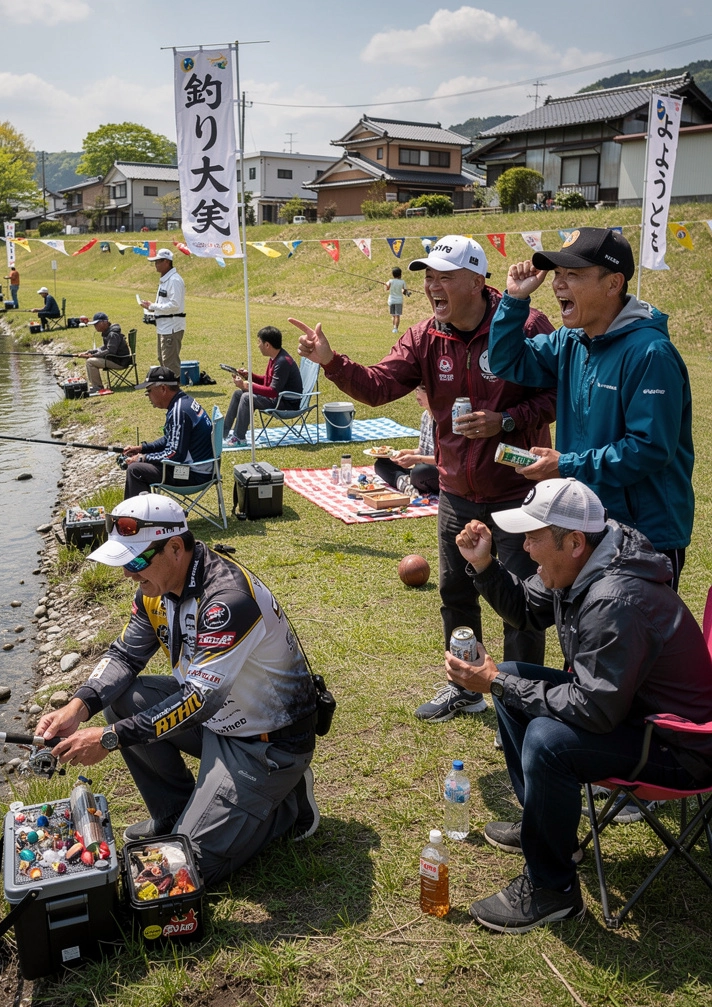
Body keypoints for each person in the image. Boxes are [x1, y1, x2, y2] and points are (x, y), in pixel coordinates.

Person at [289, 235, 557, 723]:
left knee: (520, 605)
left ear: (477, 281)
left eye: (444, 276)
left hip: (520, 491)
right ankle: (465, 686)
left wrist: (508, 421)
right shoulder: (424, 337)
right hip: (457, 491)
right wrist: (330, 360)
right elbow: (378, 387)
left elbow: (558, 393)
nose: (432, 286)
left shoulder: (525, 322)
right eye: (428, 277)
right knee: (456, 594)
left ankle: (519, 705)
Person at [445, 478, 712, 933]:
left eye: (532, 536)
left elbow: (593, 710)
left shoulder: (615, 599)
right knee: (511, 681)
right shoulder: (587, 561)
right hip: (634, 716)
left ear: (572, 541)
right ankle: (547, 832)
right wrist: (485, 564)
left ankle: (553, 890)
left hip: (678, 747)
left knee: (547, 738)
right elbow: (527, 611)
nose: (525, 547)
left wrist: (494, 682)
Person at [37, 493, 320, 885]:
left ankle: (287, 807)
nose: (128, 575)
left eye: (135, 562)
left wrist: (108, 739)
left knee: (179, 870)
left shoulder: (227, 601)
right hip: (219, 723)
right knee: (120, 699)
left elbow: (198, 701)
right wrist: (77, 707)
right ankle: (175, 815)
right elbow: (124, 656)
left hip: (266, 744)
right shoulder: (155, 589)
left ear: (174, 548)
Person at [489, 227, 694, 590]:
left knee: (630, 640)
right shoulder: (572, 341)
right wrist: (515, 301)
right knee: (585, 633)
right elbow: (507, 361)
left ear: (614, 283)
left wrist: (564, 464)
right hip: (583, 521)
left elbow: (648, 449)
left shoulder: (650, 354)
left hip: (643, 534)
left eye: (574, 275)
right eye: (557, 275)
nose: (558, 285)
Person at [120, 366, 214, 500]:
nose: (148, 396)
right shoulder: (185, 402)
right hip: (204, 469)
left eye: (149, 391)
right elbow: (171, 439)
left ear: (163, 388)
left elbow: (175, 454)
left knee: (135, 470)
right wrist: (142, 448)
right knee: (140, 465)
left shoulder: (179, 411)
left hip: (193, 474)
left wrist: (143, 458)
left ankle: (137, 519)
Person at [224, 325, 303, 447]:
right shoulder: (275, 357)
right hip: (277, 399)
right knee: (238, 394)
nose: (258, 345)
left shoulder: (282, 362)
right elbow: (267, 382)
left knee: (246, 397)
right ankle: (223, 433)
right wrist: (249, 376)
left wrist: (247, 386)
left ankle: (239, 438)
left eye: (259, 342)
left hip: (286, 403)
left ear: (267, 345)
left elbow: (272, 391)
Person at [373, 384, 439, 496]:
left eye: (421, 391)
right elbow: (422, 450)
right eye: (416, 391)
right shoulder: (425, 416)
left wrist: (416, 459)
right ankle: (404, 483)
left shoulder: (443, 420)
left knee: (420, 472)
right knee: (381, 464)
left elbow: (445, 460)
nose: (417, 396)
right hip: (423, 466)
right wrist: (406, 453)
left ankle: (404, 481)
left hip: (439, 472)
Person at [140, 247, 186, 378]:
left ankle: (174, 389)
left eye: (158, 261)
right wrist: (151, 308)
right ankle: (168, 387)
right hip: (163, 326)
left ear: (167, 262)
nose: (155, 264)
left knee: (170, 362)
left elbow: (175, 304)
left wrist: (153, 306)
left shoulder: (174, 280)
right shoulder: (166, 279)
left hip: (172, 327)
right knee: (162, 359)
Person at [77, 312, 130, 394]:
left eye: (97, 324)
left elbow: (110, 351)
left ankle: (97, 387)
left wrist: (92, 355)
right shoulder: (108, 332)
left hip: (120, 362)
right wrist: (90, 352)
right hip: (115, 359)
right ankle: (96, 386)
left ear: (104, 322)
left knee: (90, 362)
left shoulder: (112, 334)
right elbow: (104, 347)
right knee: (90, 360)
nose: (95, 326)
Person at [385, 266, 410, 333]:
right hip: (399, 300)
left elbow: (387, 289)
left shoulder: (390, 281)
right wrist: (407, 293)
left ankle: (394, 328)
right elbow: (404, 291)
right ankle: (396, 328)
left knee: (393, 315)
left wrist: (387, 285)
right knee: (397, 315)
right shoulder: (402, 282)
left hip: (391, 300)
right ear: (400, 274)